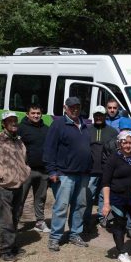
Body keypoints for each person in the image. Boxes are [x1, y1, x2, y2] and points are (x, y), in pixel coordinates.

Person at [0, 111, 31, 261]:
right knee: (6, 221)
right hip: (4, 188)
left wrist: (25, 172)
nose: (13, 123)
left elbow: (24, 160)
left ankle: (13, 247)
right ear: (3, 123)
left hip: (18, 186)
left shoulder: (19, 141)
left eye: (15, 120)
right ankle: (5, 251)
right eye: (9, 121)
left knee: (15, 218)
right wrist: (1, 174)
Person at [43, 96, 92, 252]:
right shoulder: (58, 124)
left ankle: (75, 234)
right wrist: (51, 171)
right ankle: (55, 238)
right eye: (72, 107)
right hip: (64, 174)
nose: (75, 110)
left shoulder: (83, 124)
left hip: (83, 174)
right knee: (61, 207)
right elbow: (49, 149)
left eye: (77, 107)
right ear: (65, 108)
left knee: (80, 205)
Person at [102, 131, 131, 262]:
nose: (128, 145)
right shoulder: (113, 159)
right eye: (125, 142)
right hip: (118, 198)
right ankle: (121, 252)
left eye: (130, 142)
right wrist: (106, 203)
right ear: (119, 143)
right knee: (120, 225)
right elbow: (106, 182)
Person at [17, 104, 50, 233]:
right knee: (20, 198)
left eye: (38, 113)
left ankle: (40, 222)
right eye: (33, 113)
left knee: (40, 198)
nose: (36, 115)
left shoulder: (46, 129)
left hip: (43, 171)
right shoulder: (21, 128)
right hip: (26, 171)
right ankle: (14, 222)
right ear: (27, 114)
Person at [86, 105, 117, 229]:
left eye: (101, 115)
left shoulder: (113, 131)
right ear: (93, 116)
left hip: (106, 170)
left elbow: (115, 151)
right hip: (90, 170)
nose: (98, 117)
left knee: (103, 196)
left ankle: (102, 218)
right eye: (96, 115)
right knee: (89, 195)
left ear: (105, 116)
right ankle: (86, 219)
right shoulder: (86, 129)